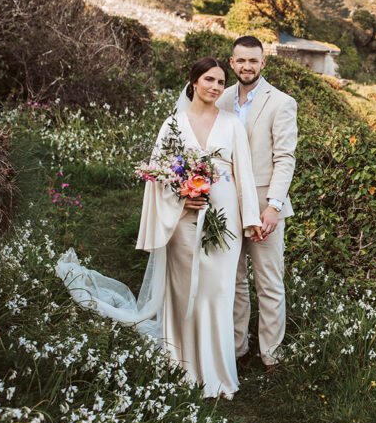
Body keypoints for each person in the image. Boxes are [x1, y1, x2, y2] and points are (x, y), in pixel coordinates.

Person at [57, 57, 261, 398]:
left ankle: (219, 372)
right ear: (194, 82)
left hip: (224, 221)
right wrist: (183, 197)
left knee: (218, 293)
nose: (215, 87)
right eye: (209, 79)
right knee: (185, 295)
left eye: (220, 82)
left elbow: (245, 176)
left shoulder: (232, 124)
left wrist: (250, 219)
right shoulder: (173, 125)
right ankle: (184, 367)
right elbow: (157, 177)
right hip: (182, 222)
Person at [219, 36, 297, 371]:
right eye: (241, 61)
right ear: (232, 63)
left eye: (254, 61)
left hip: (265, 206)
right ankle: (239, 350)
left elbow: (285, 158)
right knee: (233, 281)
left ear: (263, 63)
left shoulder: (281, 102)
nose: (247, 66)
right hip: (227, 205)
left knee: (269, 283)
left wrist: (273, 207)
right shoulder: (219, 99)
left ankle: (272, 357)